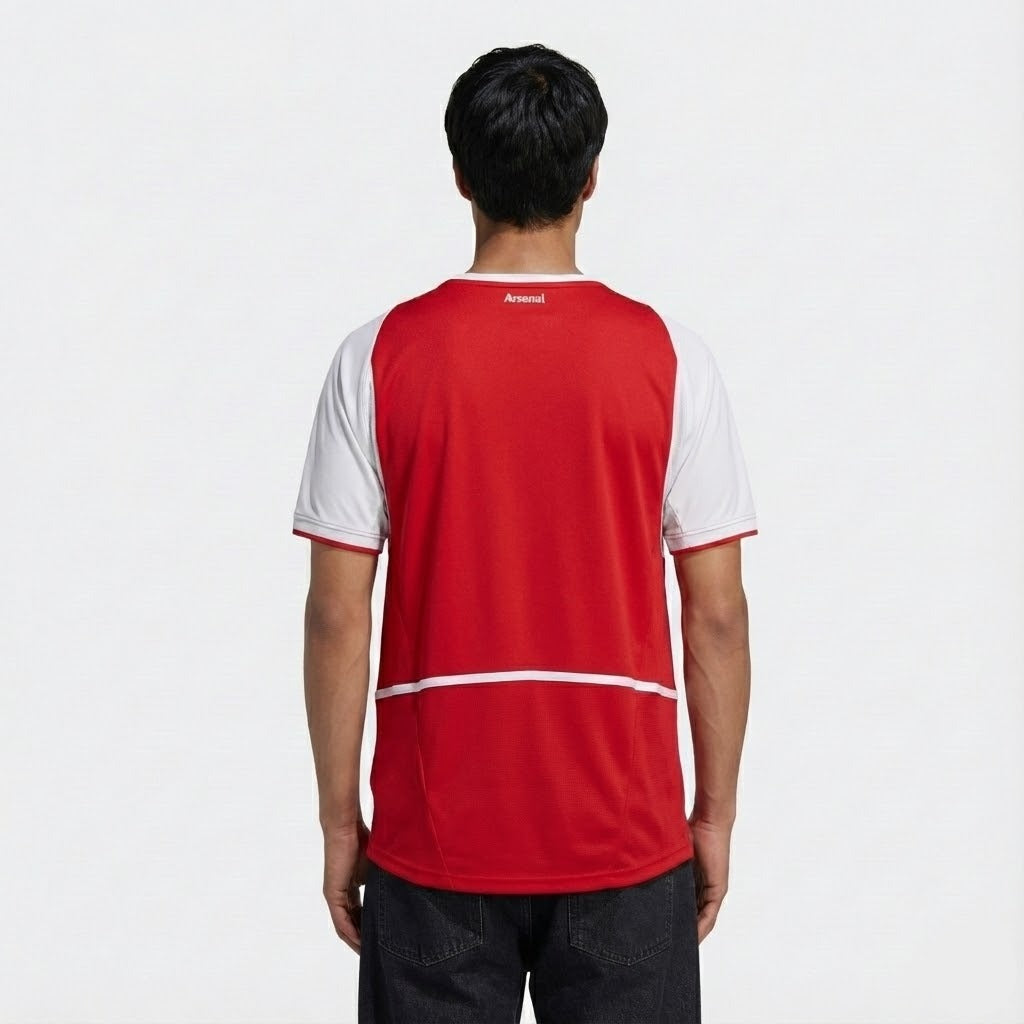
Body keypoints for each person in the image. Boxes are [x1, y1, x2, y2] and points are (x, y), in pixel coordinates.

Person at [291, 42, 758, 1024]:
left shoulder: (376, 356)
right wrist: (712, 815)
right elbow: (715, 613)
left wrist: (340, 823)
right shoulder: (670, 357)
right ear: (592, 178)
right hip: (624, 837)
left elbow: (337, 614)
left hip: (435, 839)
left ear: (460, 174)